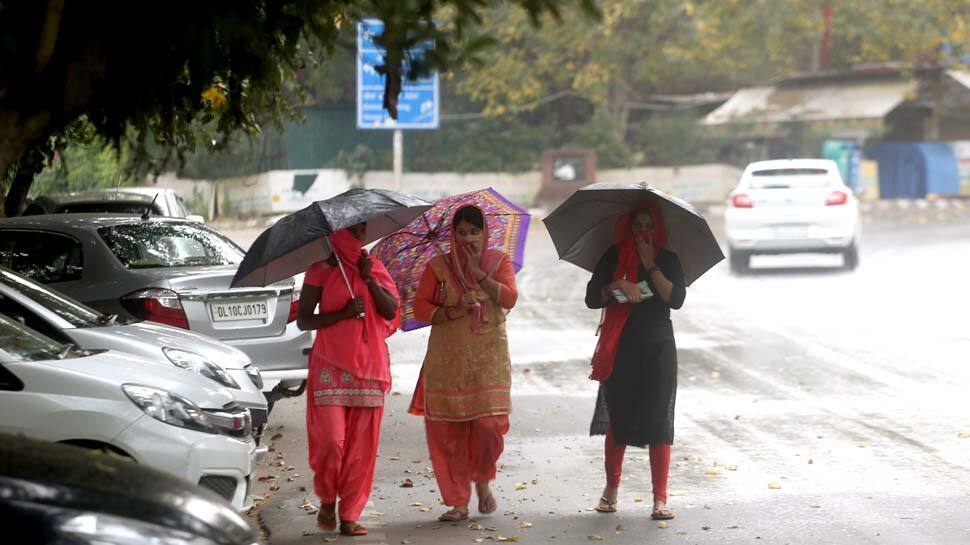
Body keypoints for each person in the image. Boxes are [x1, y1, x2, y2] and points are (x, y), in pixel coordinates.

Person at [408, 204, 519, 522]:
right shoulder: (438, 267)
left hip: (489, 358)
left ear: (485, 233)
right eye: (461, 232)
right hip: (447, 360)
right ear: (452, 235)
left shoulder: (499, 261)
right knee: (448, 431)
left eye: (474, 231)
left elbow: (510, 298)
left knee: (487, 427)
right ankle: (457, 501)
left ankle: (483, 482)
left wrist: (480, 274)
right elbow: (420, 308)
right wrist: (453, 309)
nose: (468, 237)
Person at [296, 223, 400, 537]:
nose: (358, 238)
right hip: (330, 364)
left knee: (361, 449)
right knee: (331, 441)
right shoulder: (321, 270)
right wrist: (341, 314)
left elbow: (391, 309)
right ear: (336, 233)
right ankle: (328, 498)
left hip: (369, 367)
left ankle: (350, 514)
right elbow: (304, 318)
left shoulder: (374, 266)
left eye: (362, 233)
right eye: (352, 232)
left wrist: (368, 278)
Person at [585, 203, 686, 521]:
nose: (643, 233)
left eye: (648, 227)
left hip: (658, 347)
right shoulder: (613, 257)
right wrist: (618, 287)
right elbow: (592, 298)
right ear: (628, 229)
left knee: (659, 420)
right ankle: (611, 490)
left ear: (657, 229)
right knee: (619, 418)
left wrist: (649, 265)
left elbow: (676, 299)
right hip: (621, 348)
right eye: (637, 227)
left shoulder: (668, 259)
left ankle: (660, 499)